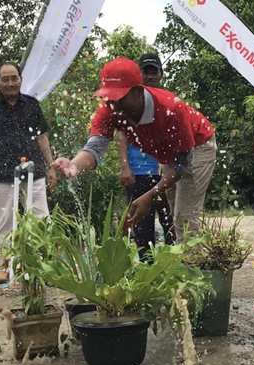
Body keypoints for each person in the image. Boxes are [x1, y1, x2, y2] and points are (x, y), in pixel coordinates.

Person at [51, 58, 217, 242]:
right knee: (172, 214)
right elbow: (95, 147)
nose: (114, 105)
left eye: (119, 98)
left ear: (138, 92)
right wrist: (74, 165)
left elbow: (181, 165)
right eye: (109, 98)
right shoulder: (111, 108)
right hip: (169, 154)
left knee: (184, 218)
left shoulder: (171, 108)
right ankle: (179, 265)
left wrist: (150, 195)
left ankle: (193, 268)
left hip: (198, 145)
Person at [0, 62, 57, 284]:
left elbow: (42, 138)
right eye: (5, 79)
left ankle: (42, 265)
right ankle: (3, 266)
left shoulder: (31, 105)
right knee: (3, 220)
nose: (10, 83)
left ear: (21, 79)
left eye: (14, 78)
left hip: (35, 171)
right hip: (1, 172)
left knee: (40, 217)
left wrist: (51, 166)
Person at [117, 53, 176, 262]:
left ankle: (171, 268)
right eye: (146, 72)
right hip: (138, 173)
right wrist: (125, 167)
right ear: (139, 75)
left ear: (161, 75)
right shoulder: (131, 100)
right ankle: (147, 270)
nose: (150, 76)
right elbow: (121, 135)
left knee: (171, 224)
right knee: (143, 226)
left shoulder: (168, 101)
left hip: (165, 174)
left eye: (154, 72)